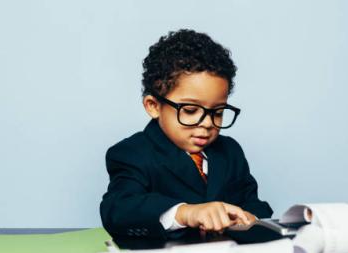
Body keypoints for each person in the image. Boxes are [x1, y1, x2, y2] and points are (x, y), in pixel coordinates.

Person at [100, 29, 273, 240]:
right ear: (153, 106)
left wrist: (249, 218)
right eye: (190, 111)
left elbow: (254, 203)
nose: (208, 123)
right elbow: (118, 209)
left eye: (217, 112)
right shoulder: (131, 153)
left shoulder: (230, 151)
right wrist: (185, 213)